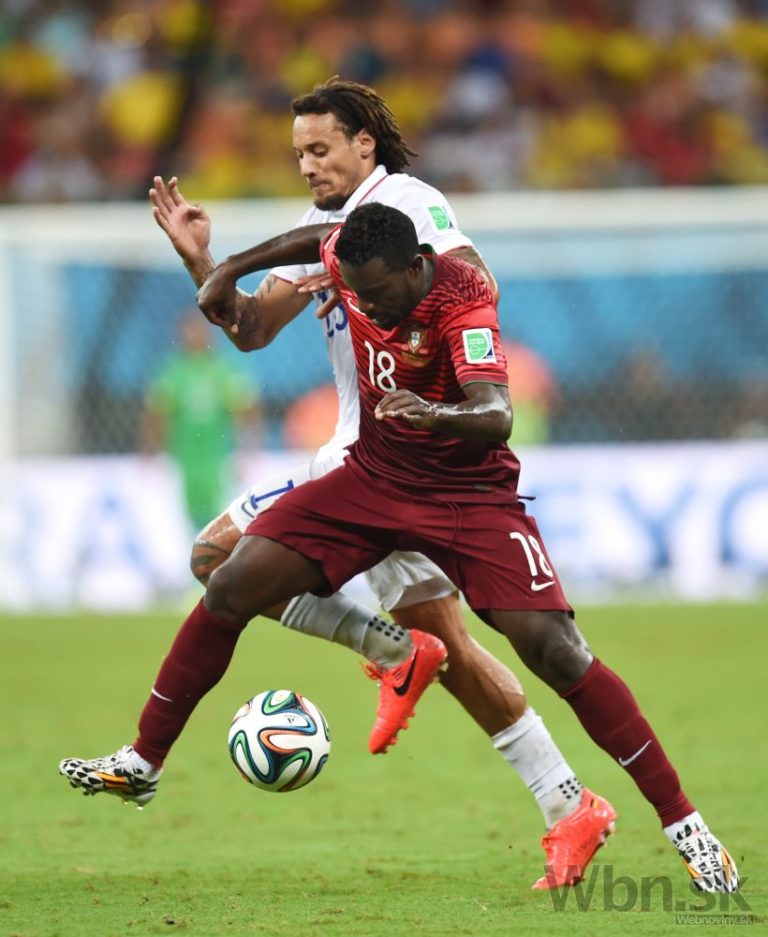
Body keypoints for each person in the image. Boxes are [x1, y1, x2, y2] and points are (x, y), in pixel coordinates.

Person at [61, 204, 738, 895]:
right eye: (359, 291)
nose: (372, 307)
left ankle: (688, 828)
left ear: (415, 266)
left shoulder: (464, 298)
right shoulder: (354, 258)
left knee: (555, 650)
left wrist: (433, 411)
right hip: (372, 482)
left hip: (468, 498)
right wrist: (229, 264)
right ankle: (144, 761)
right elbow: (312, 241)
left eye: (380, 293)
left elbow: (497, 413)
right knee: (229, 581)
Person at [130, 79, 616, 888]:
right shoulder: (323, 232)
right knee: (450, 651)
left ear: (365, 144)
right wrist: (202, 261)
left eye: (321, 149)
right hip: (367, 460)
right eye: (299, 153)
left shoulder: (409, 207)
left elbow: (477, 282)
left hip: (395, 460)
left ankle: (396, 655)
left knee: (219, 560)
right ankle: (566, 802)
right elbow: (249, 329)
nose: (308, 165)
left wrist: (376, 300)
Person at [141, 311, 259, 531]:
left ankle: (215, 551)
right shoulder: (174, 370)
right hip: (185, 455)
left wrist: (247, 448)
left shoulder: (223, 368)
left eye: (199, 330)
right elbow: (158, 413)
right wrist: (151, 448)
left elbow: (244, 410)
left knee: (219, 511)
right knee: (189, 514)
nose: (194, 335)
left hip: (218, 454)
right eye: (189, 330)